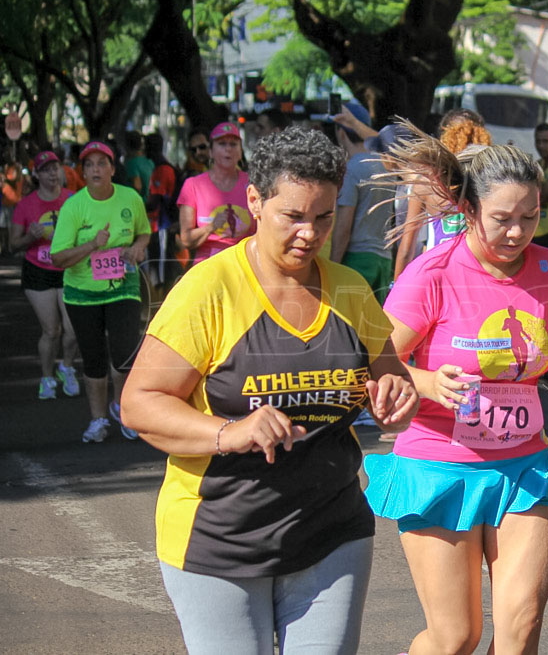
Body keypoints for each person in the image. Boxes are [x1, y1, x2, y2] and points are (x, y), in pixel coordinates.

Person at [120, 126, 418, 655]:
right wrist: (229, 432)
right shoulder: (208, 290)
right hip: (220, 538)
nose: (310, 232)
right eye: (294, 216)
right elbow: (140, 405)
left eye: (324, 216)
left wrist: (396, 391)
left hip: (332, 530)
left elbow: (390, 372)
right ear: (255, 201)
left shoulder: (349, 289)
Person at [364, 131, 548, 654]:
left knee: (522, 626)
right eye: (502, 219)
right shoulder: (433, 274)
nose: (518, 232)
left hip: (522, 467)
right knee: (456, 637)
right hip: (440, 467)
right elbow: (376, 362)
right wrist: (424, 381)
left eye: (530, 217)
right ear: (469, 209)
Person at [50, 141, 151, 443]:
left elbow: (144, 231)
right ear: (83, 172)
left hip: (123, 288)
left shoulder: (130, 198)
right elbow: (58, 258)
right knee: (93, 359)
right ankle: (97, 420)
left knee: (123, 355)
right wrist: (93, 244)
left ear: (112, 167)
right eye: (90, 165)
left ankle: (121, 407)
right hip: (82, 293)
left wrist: (137, 247)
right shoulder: (73, 206)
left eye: (102, 163)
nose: (96, 169)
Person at [10, 151, 79, 400]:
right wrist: (31, 236)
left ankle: (67, 367)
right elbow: (13, 245)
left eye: (56, 168)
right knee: (51, 330)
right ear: (37, 175)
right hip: (38, 271)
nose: (53, 173)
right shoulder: (26, 205)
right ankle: (47, 377)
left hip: (69, 269)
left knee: (73, 329)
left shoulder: (73, 199)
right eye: (46, 169)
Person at [392, 108, 491, 280]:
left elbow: (406, 250)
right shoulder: (491, 182)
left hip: (435, 275)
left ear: (445, 137)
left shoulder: (427, 183)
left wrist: (396, 289)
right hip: (477, 276)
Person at [330, 103, 395, 303]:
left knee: (349, 328)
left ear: (341, 134)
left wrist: (332, 268)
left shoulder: (352, 169)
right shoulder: (388, 166)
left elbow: (343, 227)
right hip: (384, 260)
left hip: (356, 261)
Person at [177, 122, 253, 264]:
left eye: (233, 144)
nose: (228, 149)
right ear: (211, 151)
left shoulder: (253, 184)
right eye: (222, 144)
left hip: (244, 265)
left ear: (240, 151)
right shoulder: (193, 185)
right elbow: (186, 239)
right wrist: (211, 227)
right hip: (208, 267)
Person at [144, 133, 180, 295]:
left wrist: (138, 206)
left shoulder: (162, 170)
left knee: (162, 268)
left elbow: (154, 202)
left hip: (162, 226)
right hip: (158, 226)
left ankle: (162, 302)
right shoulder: (161, 168)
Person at [123, 130, 154, 204]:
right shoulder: (150, 162)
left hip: (139, 205)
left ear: (127, 145)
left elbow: (137, 186)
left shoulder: (132, 163)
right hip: (150, 203)